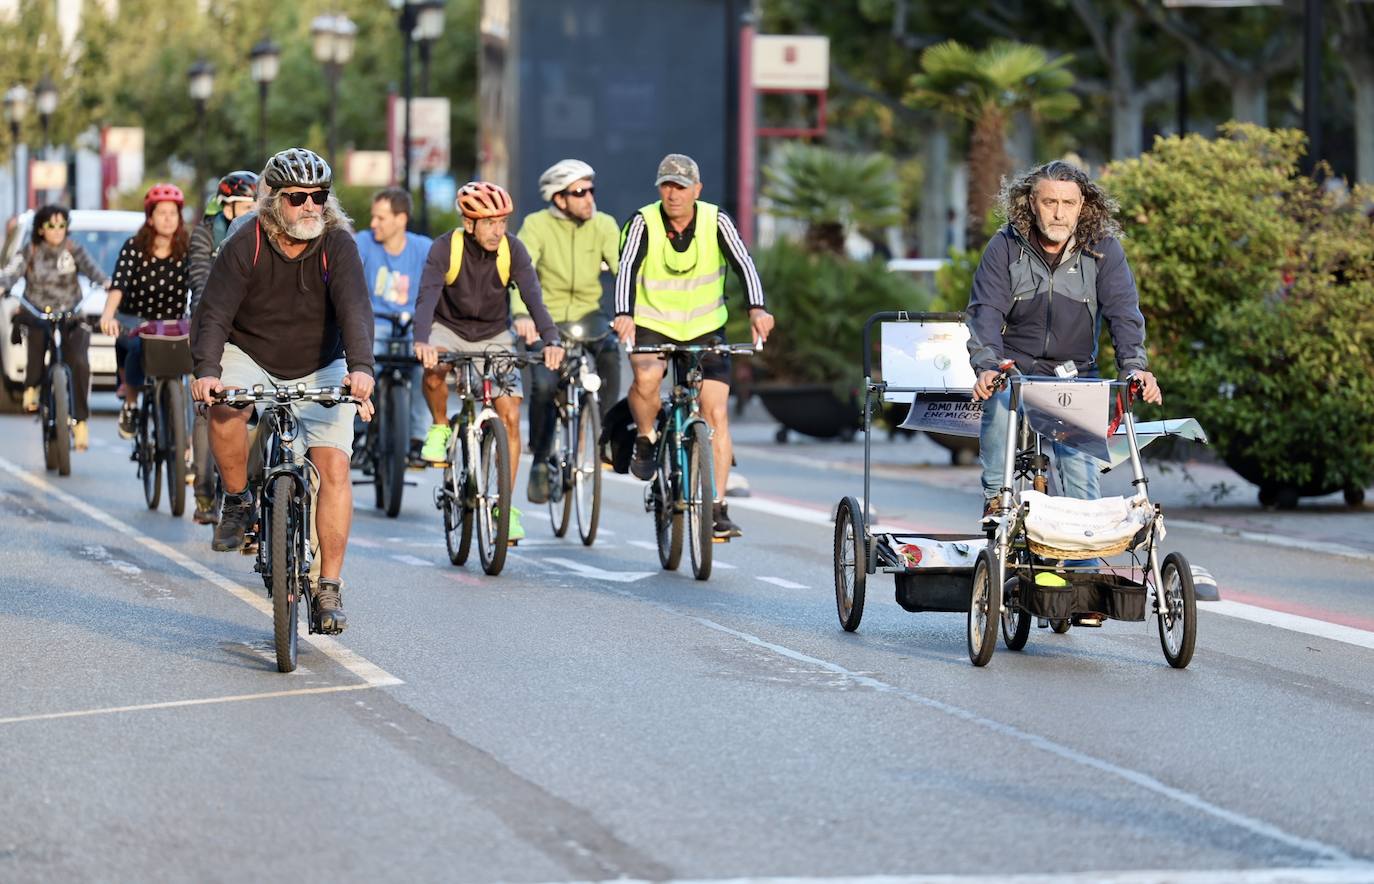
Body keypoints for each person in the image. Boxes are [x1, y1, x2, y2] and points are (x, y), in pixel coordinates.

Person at [191, 147, 374, 634]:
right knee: (226, 409)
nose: (311, 205)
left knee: (333, 463)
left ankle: (329, 586)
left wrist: (361, 370)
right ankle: (235, 499)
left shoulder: (338, 243)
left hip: (321, 363)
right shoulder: (244, 240)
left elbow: (356, 309)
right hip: (250, 352)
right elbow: (213, 314)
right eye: (297, 197)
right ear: (273, 200)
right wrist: (207, 372)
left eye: (319, 195)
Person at [967, 159, 1163, 523]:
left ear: (1083, 207)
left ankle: (1082, 564)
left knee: (1081, 490)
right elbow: (985, 313)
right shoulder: (1005, 246)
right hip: (1016, 373)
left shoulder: (1103, 250)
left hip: (1075, 377)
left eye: (1068, 203)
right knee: (999, 398)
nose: (1058, 214)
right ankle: (997, 497)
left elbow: (1124, 314)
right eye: (1049, 202)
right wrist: (988, 365)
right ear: (1030, 204)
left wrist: (1135, 369)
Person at [613, 153, 773, 540]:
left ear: (696, 190)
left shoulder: (715, 220)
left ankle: (717, 507)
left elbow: (744, 264)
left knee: (715, 413)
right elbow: (627, 268)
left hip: (704, 329)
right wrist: (624, 314)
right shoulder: (643, 221)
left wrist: (757, 309)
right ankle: (647, 436)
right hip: (653, 323)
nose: (673, 194)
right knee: (647, 381)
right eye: (667, 185)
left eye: (681, 187)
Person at [412, 181, 564, 544]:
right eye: (489, 222)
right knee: (433, 371)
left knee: (509, 413)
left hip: (495, 335)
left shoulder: (513, 249)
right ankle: (439, 426)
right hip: (448, 329)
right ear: (469, 223)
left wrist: (552, 339)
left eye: (503, 222)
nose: (498, 230)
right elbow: (427, 297)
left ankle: (505, 507)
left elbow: (533, 298)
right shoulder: (445, 248)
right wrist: (422, 341)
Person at [515, 158, 622, 504]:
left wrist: (631, 312)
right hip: (547, 318)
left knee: (609, 352)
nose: (589, 198)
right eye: (579, 192)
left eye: (591, 190)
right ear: (559, 198)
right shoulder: (536, 225)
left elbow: (625, 268)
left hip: (590, 313)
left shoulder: (604, 224)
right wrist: (523, 315)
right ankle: (541, 458)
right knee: (545, 387)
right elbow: (522, 273)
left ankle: (607, 433)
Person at [0, 205, 109, 450]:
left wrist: (105, 282)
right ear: (40, 228)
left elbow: (93, 270)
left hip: (71, 312)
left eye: (62, 225)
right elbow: (11, 273)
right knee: (36, 338)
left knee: (79, 361)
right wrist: (3, 285)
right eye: (51, 225)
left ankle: (80, 421)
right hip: (39, 310)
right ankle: (32, 386)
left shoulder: (73, 249)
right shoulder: (31, 250)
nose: (57, 230)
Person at [186, 170, 259, 524]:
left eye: (253, 205)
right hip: (211, 319)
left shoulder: (257, 234)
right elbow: (201, 280)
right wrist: (214, 316)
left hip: (248, 325)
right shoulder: (204, 235)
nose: (250, 210)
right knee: (209, 405)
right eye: (244, 205)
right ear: (227, 207)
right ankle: (203, 493)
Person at [99, 183, 192, 441]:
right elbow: (119, 284)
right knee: (138, 346)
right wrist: (108, 315)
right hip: (133, 320)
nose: (167, 218)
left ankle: (185, 443)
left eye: (173, 213)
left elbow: (200, 283)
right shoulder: (134, 247)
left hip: (172, 324)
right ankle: (130, 404)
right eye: (161, 213)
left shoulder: (188, 248)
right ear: (150, 217)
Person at [354, 186, 433, 466]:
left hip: (412, 326)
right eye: (373, 217)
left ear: (401, 219)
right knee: (362, 366)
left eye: (381, 218)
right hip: (375, 325)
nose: (373, 224)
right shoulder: (363, 242)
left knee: (425, 367)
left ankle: (417, 439)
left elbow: (437, 285)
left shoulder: (423, 248)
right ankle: (358, 433)